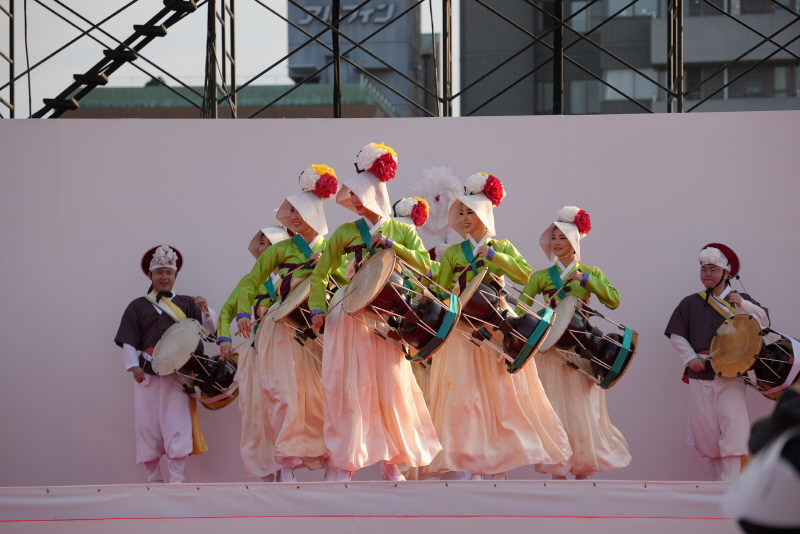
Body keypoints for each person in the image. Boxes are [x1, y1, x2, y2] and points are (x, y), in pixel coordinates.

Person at [309, 142, 441, 482]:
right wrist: (317, 307)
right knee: (350, 386)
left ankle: (392, 460)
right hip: (349, 313)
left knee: (391, 386)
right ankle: (346, 462)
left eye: (359, 194)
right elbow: (321, 274)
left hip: (387, 316)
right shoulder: (344, 232)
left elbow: (427, 268)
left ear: (375, 194)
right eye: (352, 194)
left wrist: (393, 247)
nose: (355, 200)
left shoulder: (401, 231)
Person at [427, 173, 572, 481]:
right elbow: (441, 290)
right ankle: (467, 462)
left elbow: (524, 275)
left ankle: (499, 465)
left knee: (501, 396)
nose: (465, 218)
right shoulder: (453, 252)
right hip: (464, 328)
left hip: (498, 327)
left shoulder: (502, 246)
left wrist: (494, 256)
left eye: (470, 212)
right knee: (463, 395)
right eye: (461, 212)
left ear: (484, 214)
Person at [235, 165, 343, 483]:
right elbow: (250, 282)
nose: (295, 217)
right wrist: (243, 313)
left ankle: (333, 462)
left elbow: (350, 283)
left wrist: (328, 267)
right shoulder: (281, 249)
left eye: (300, 211)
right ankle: (286, 465)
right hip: (282, 329)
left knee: (326, 395)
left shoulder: (332, 247)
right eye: (291, 211)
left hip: (322, 330)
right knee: (285, 395)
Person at [518, 206, 631, 480]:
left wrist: (586, 280)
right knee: (553, 406)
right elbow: (521, 307)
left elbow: (614, 300)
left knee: (583, 409)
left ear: (575, 242)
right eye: (554, 238)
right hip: (551, 351)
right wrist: (542, 313)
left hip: (583, 348)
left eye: (563, 238)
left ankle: (584, 468)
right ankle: (557, 469)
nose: (557, 243)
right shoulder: (541, 277)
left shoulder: (590, 272)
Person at [665, 243, 769, 481]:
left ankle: (730, 484)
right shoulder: (690, 302)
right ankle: (716, 485)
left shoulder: (741, 300)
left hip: (733, 372)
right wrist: (690, 358)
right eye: (704, 270)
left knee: (733, 425)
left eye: (713, 269)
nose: (707, 274)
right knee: (706, 429)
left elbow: (764, 324)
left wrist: (743, 304)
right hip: (700, 371)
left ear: (726, 272)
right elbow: (677, 334)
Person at [114, 245, 218, 484]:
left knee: (177, 424)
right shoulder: (137, 306)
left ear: (175, 276)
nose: (164, 277)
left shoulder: (188, 303)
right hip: (147, 375)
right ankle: (153, 478)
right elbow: (129, 340)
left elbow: (209, 332)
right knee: (146, 425)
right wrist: (133, 366)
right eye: (159, 272)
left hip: (179, 375)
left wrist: (206, 311)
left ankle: (176, 479)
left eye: (168, 272)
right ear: (150, 275)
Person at [215, 218, 290, 481]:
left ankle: (288, 469)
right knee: (257, 413)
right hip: (256, 353)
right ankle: (265, 473)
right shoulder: (250, 280)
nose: (264, 248)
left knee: (286, 406)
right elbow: (227, 310)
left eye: (271, 243)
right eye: (262, 243)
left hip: (285, 352)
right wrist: (224, 338)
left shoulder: (293, 275)